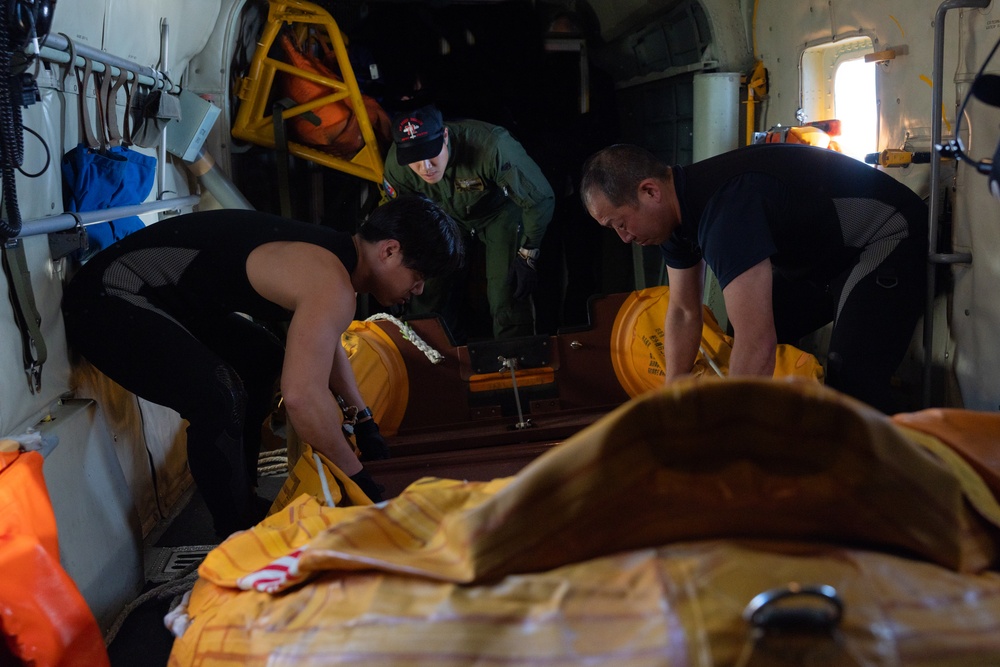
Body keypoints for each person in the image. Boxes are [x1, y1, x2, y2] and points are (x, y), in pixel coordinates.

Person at [61, 195, 464, 537]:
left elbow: (324, 342)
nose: (420, 289)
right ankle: (235, 534)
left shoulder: (333, 260)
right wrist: (361, 480)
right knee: (219, 394)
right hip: (107, 298)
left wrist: (363, 419)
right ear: (390, 251)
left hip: (162, 301)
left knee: (262, 360)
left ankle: (244, 494)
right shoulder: (332, 282)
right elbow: (303, 397)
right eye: (420, 275)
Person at [580, 143, 928, 413]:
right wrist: (674, 397)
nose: (624, 238)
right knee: (742, 340)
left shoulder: (726, 212)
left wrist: (734, 435)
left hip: (886, 236)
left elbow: (758, 341)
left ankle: (924, 464)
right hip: (825, 261)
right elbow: (685, 311)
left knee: (854, 379)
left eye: (621, 224)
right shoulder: (674, 221)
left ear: (650, 191)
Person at [382, 104, 554, 340]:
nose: (425, 168)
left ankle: (515, 361)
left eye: (431, 153)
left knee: (505, 291)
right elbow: (398, 217)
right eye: (415, 160)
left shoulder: (493, 146)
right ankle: (427, 358)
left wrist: (528, 254)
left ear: (444, 136)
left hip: (499, 213)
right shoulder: (397, 166)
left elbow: (539, 199)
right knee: (425, 287)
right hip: (444, 217)